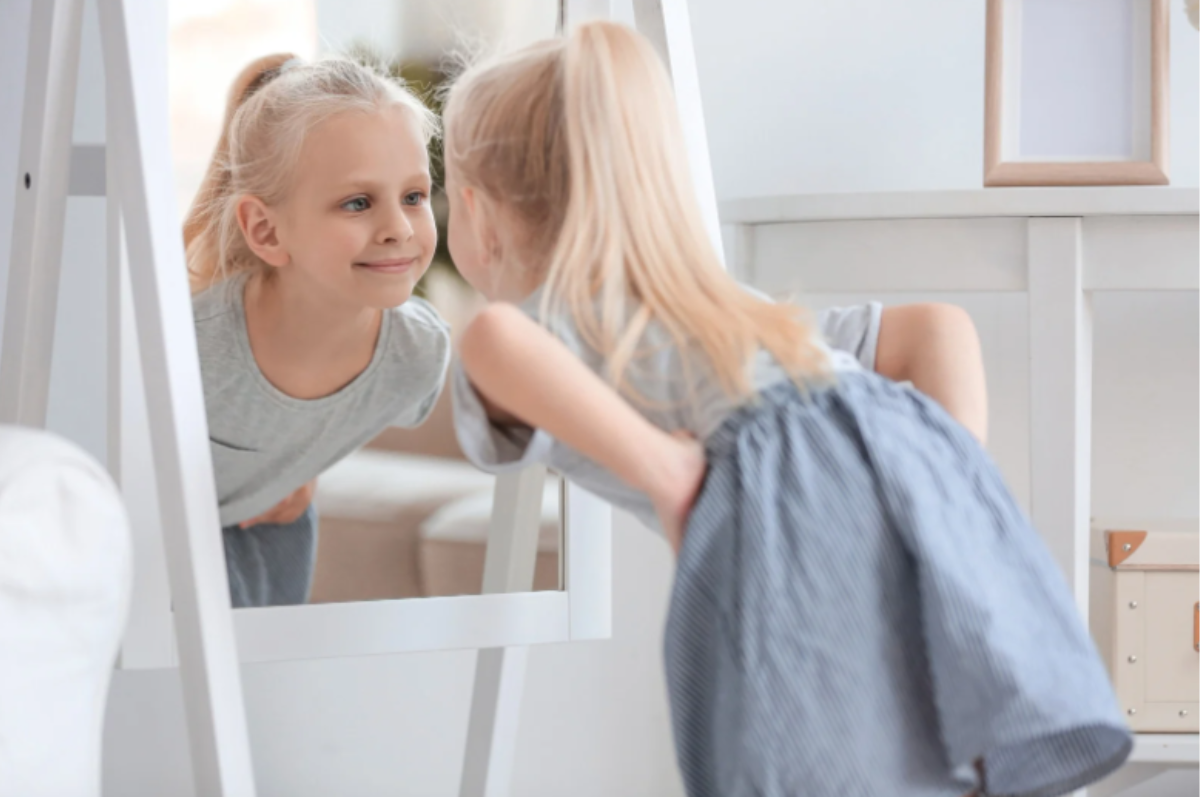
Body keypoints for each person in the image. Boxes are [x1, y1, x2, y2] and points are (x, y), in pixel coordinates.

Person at [440, 22, 1130, 796]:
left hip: (775, 498)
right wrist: (946, 469)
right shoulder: (734, 314)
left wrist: (667, 472)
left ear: (478, 216)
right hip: (885, 454)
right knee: (899, 724)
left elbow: (494, 340)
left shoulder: (573, 318)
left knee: (784, 745)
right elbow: (938, 327)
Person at [183, 54, 451, 607]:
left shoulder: (417, 355)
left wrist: (301, 464)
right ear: (265, 229)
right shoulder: (190, 348)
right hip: (144, 541)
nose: (398, 229)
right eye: (357, 203)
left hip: (264, 532)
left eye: (414, 197)